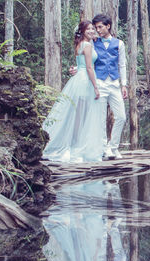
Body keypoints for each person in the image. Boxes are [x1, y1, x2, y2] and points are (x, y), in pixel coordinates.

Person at [42, 21, 106, 163]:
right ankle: (76, 148)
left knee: (77, 116)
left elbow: (81, 65)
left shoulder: (80, 44)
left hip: (78, 79)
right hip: (85, 81)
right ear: (82, 31)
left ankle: (73, 147)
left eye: (92, 29)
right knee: (81, 117)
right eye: (88, 29)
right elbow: (89, 67)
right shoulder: (87, 45)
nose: (91, 31)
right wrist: (96, 87)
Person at [72, 14, 128, 160]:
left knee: (121, 116)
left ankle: (113, 147)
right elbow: (86, 62)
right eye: (96, 27)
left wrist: (124, 84)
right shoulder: (93, 42)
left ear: (108, 26)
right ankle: (104, 149)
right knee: (101, 119)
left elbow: (122, 64)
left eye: (100, 27)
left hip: (114, 84)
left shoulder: (119, 43)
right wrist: (75, 69)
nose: (97, 30)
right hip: (99, 84)